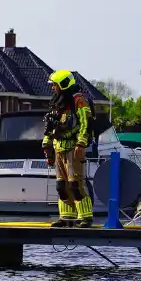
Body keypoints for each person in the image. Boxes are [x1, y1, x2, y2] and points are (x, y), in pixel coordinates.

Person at [42, 69, 94, 228]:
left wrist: (81, 144)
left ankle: (85, 217)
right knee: (61, 186)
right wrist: (47, 145)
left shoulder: (79, 101)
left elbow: (86, 123)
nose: (53, 88)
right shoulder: (56, 102)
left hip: (73, 148)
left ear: (63, 84)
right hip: (58, 148)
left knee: (75, 185)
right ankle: (66, 217)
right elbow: (50, 126)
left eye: (55, 85)